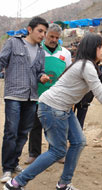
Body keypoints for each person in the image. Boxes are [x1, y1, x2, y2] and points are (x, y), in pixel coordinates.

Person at [3, 33, 102, 190]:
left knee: (78, 142)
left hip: (62, 107)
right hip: (53, 107)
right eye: (101, 47)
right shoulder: (86, 66)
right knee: (58, 151)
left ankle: (64, 183)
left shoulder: (88, 65)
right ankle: (16, 183)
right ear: (92, 48)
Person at [0, 16, 49, 183]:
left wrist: (42, 76)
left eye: (44, 32)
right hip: (14, 94)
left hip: (31, 97)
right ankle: (6, 168)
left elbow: (39, 71)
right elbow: (1, 61)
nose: (43, 34)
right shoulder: (13, 43)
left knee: (22, 133)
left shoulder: (41, 51)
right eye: (40, 31)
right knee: (11, 132)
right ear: (30, 29)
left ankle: (13, 163)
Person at [25, 23, 72, 166]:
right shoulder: (36, 50)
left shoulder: (65, 53)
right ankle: (34, 154)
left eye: (57, 37)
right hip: (36, 94)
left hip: (57, 98)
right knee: (35, 126)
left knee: (57, 126)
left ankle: (57, 152)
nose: (54, 39)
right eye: (51, 36)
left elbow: (69, 73)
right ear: (45, 35)